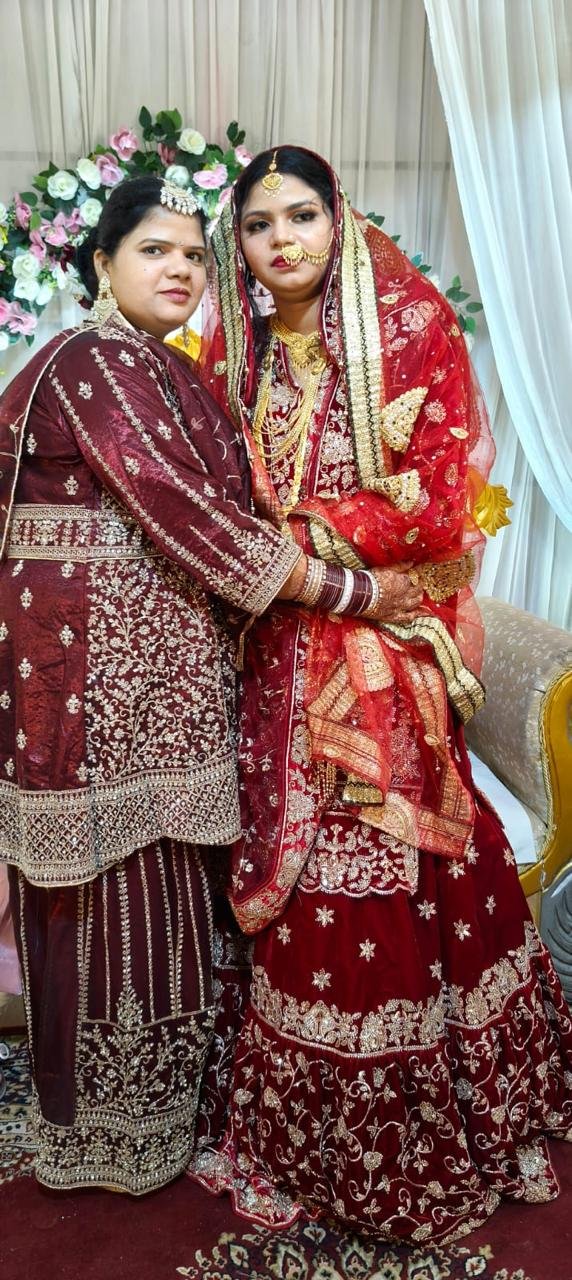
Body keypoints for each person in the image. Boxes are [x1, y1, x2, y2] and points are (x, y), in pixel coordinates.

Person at [189, 147, 572, 1245]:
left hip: (376, 649)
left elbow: (440, 491)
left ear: (336, 218)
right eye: (259, 224)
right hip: (272, 645)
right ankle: (299, 1129)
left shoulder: (408, 327)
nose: (282, 240)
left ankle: (431, 1123)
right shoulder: (234, 350)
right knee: (286, 865)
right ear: (240, 245)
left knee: (384, 861)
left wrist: (298, 536)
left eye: (301, 215)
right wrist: (261, 553)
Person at [0, 173, 411, 1195]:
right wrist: (352, 590)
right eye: (154, 250)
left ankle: (154, 1114)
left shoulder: (165, 368)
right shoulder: (93, 360)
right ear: (101, 264)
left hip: (153, 681)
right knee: (106, 892)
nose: (179, 268)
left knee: (164, 890)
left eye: (193, 254)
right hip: (89, 682)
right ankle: (104, 1128)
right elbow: (184, 511)